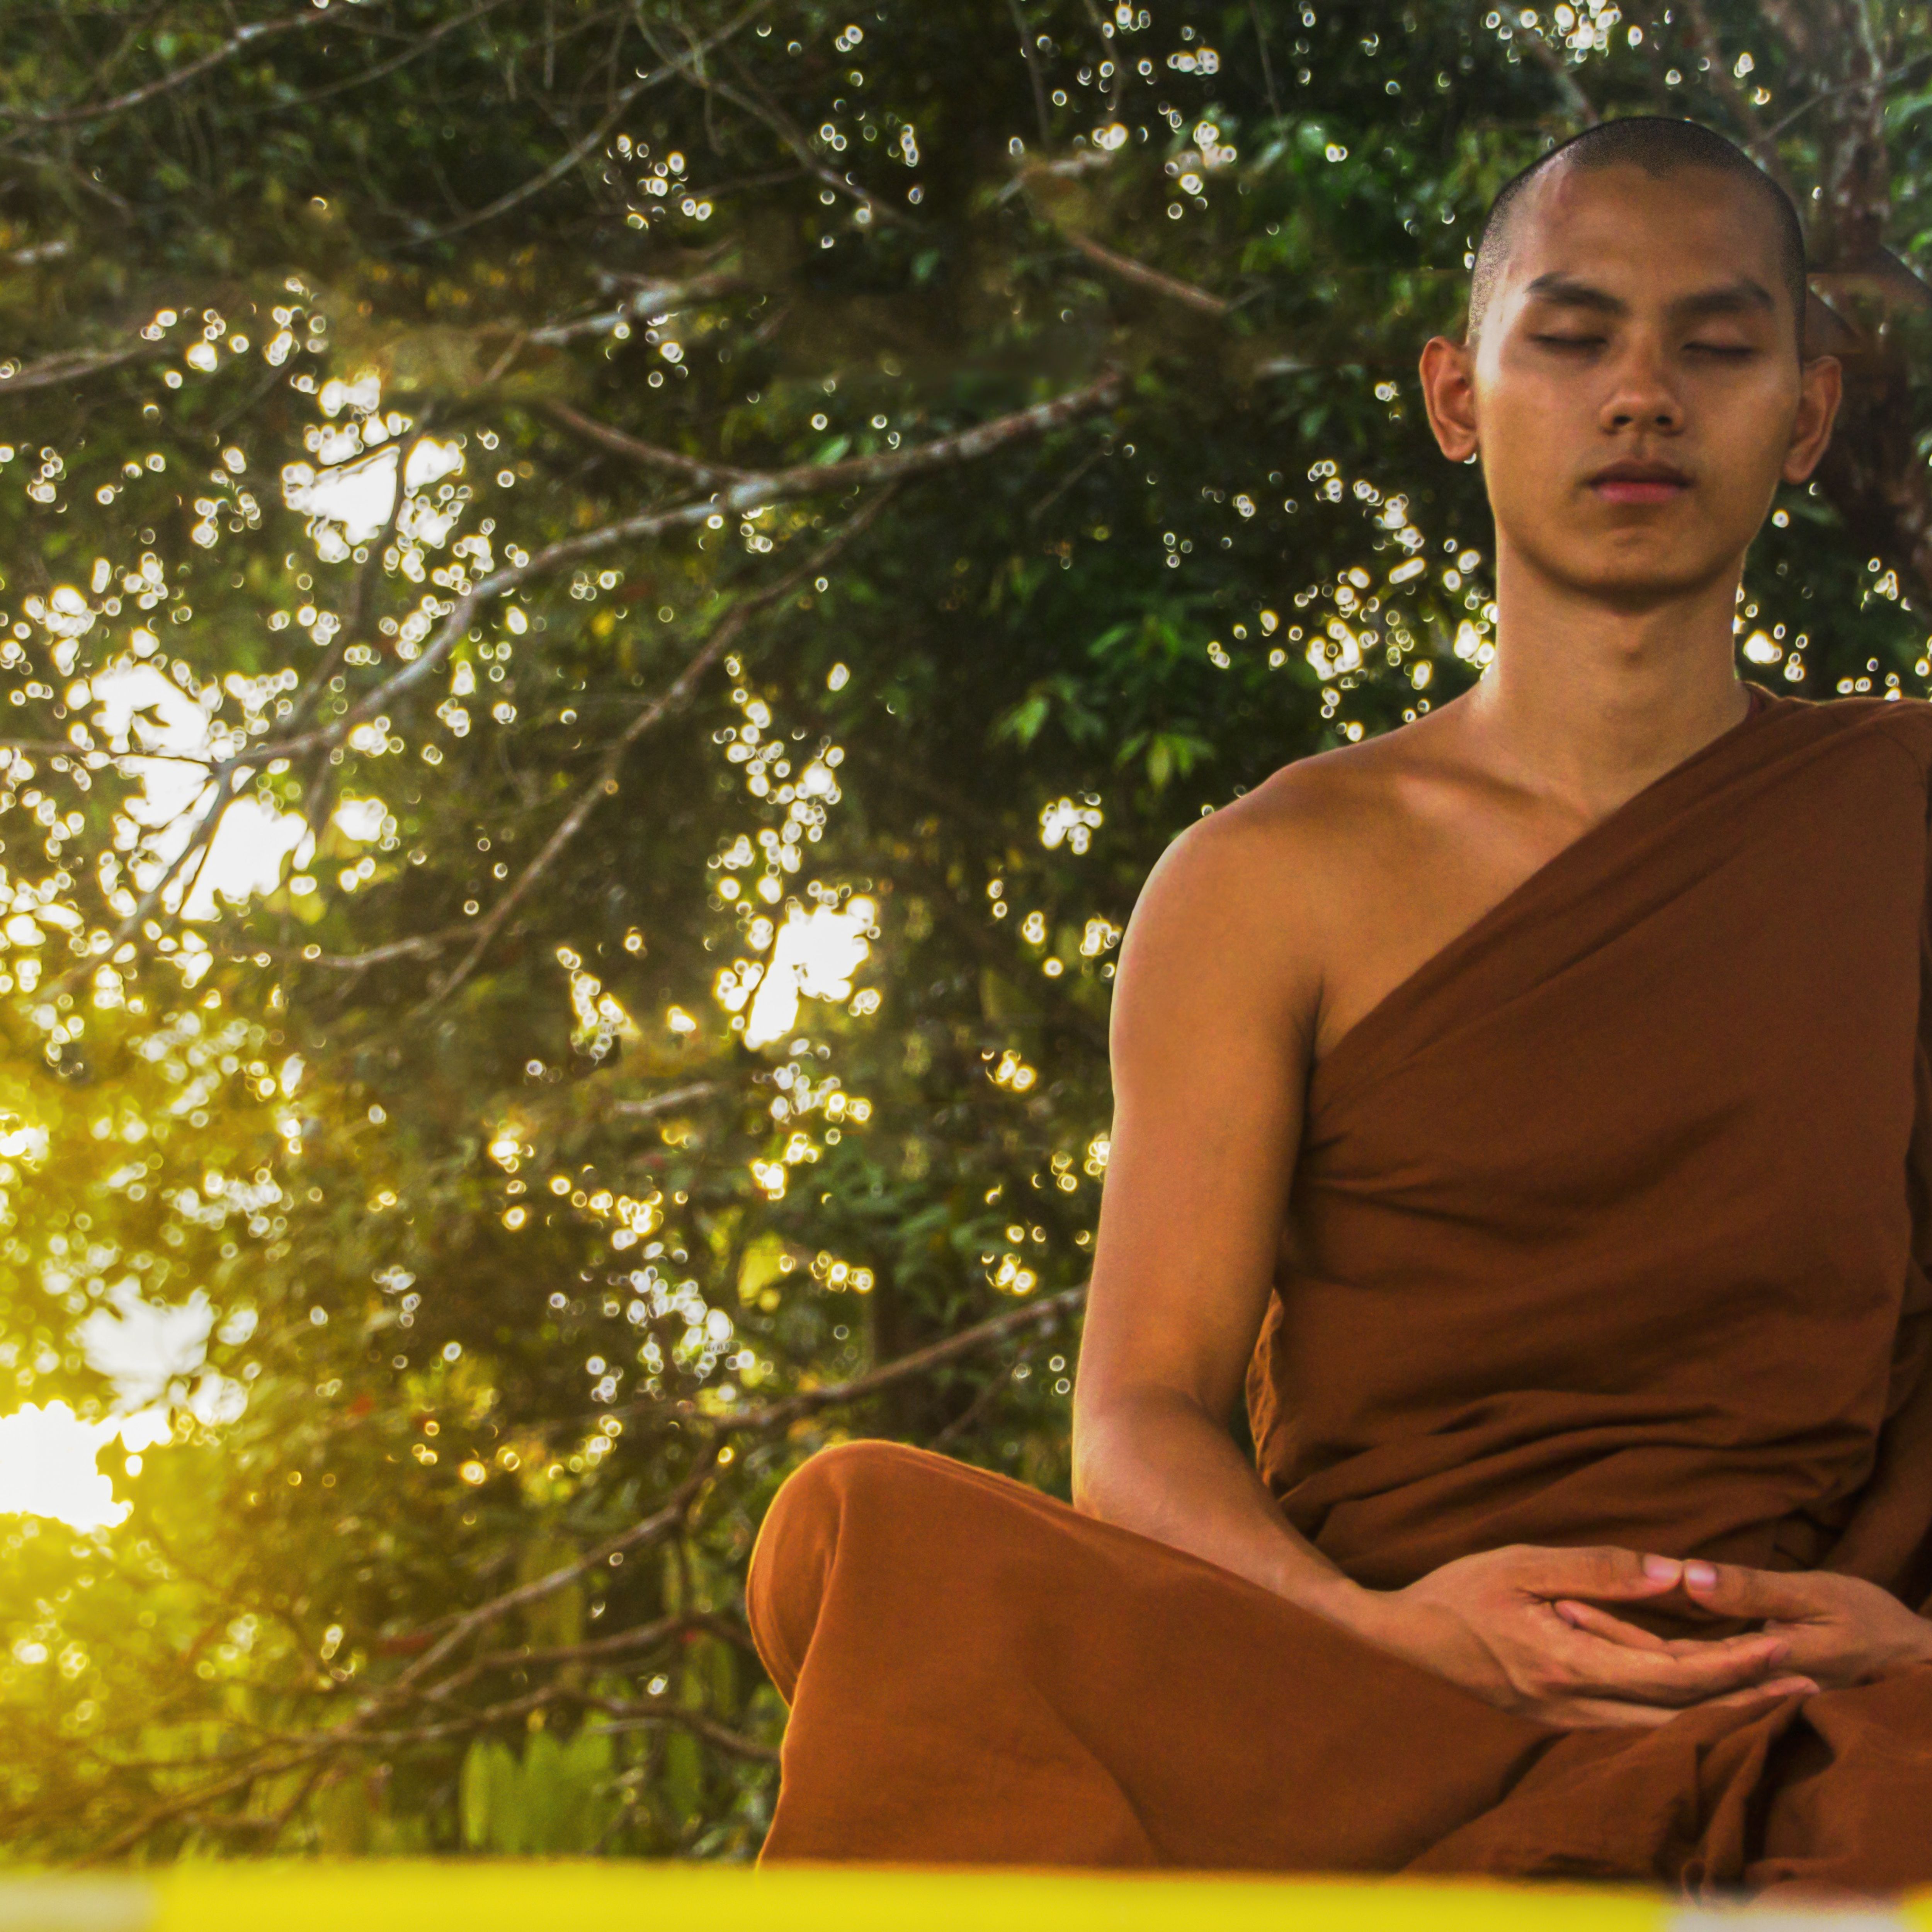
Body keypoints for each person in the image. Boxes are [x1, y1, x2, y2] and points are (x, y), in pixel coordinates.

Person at [745, 117, 1932, 1895]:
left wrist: (1895, 1630)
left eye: (1713, 342)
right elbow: (1139, 1420)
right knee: (875, 1537)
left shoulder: (1899, 812)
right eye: (1572, 333)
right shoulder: (1265, 878)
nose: (1639, 396)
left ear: (1805, 411)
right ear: (1457, 396)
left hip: (1806, 1675)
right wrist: (1399, 1632)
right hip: (1365, 1674)